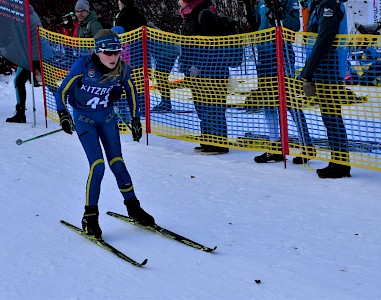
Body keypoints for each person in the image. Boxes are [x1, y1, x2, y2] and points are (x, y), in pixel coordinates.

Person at [55, 29, 155, 238]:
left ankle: (133, 208)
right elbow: (62, 91)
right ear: (98, 51)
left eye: (117, 52)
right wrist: (63, 114)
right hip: (85, 120)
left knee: (117, 162)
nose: (113, 57)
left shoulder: (122, 69)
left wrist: (136, 119)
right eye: (108, 53)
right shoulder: (84, 65)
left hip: (107, 119)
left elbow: (132, 91)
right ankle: (90, 216)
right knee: (97, 166)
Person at [250, 0, 314, 164]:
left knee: (289, 100)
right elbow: (258, 24)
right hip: (263, 52)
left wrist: (281, 14)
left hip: (281, 51)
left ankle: (306, 145)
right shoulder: (262, 2)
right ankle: (275, 146)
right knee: (268, 101)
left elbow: (294, 25)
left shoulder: (288, 0)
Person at [301, 0, 351, 178]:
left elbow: (325, 38)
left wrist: (308, 72)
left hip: (328, 70)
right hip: (325, 70)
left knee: (332, 118)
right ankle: (337, 162)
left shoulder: (328, 4)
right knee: (330, 118)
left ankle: (340, 164)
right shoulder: (320, 5)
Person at [178, 0, 229, 155]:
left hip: (214, 71)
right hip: (196, 73)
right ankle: (207, 139)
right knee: (201, 106)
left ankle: (219, 143)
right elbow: (189, 44)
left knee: (214, 106)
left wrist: (199, 65)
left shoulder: (204, 14)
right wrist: (184, 62)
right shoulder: (190, 16)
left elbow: (211, 45)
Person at [6, 5, 42, 123]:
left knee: (19, 81)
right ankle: (64, 112)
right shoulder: (31, 15)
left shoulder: (25, 19)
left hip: (31, 56)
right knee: (51, 85)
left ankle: (20, 113)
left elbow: (20, 38)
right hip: (37, 54)